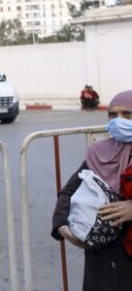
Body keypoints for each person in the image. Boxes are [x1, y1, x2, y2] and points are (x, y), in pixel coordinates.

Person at [52, 90, 132, 290]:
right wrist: (64, 229)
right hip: (103, 260)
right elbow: (68, 193)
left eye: (127, 114)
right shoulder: (100, 153)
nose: (118, 120)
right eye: (113, 115)